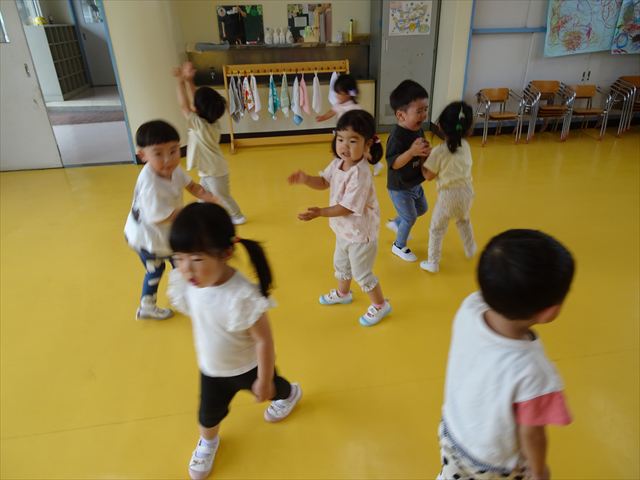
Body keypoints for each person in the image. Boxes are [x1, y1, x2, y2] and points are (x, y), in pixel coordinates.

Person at [167, 203, 302, 480]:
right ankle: (208, 442)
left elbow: (264, 341)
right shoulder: (189, 283)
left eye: (197, 259)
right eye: (179, 258)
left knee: (274, 388)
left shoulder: (241, 296)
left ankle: (290, 394)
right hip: (212, 369)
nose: (186, 268)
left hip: (248, 367)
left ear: (226, 253)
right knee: (207, 414)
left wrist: (264, 379)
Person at [438, 229, 574, 480]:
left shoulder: (470, 307)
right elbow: (532, 433)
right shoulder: (533, 369)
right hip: (492, 462)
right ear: (550, 312)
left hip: (452, 431)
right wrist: (539, 470)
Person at [288, 110, 391, 326]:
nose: (344, 146)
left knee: (362, 273)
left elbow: (346, 207)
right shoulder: (338, 163)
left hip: (361, 235)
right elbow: (324, 182)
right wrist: (306, 179)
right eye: (341, 139)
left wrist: (320, 212)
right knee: (341, 265)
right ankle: (343, 294)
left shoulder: (360, 174)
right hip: (344, 231)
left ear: (367, 144)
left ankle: (381, 305)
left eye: (353, 141)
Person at [124, 120, 218, 320]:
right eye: (158, 154)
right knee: (157, 270)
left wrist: (207, 196)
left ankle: (189, 297)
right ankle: (147, 306)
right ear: (143, 155)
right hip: (147, 240)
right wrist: (195, 213)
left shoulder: (173, 169)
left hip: (164, 236)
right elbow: (161, 217)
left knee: (182, 262)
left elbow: (191, 186)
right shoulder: (150, 184)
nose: (168, 159)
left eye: (173, 151)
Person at [174, 62, 246, 225]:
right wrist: (189, 81)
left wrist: (180, 82)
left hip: (215, 171)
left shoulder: (200, 125)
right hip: (209, 169)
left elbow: (184, 107)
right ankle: (204, 213)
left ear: (198, 110)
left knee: (221, 195)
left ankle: (237, 216)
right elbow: (196, 101)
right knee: (203, 194)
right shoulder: (210, 121)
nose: (193, 105)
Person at [420, 101, 477, 273]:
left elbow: (428, 176)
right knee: (463, 220)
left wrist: (423, 159)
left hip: (448, 196)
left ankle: (433, 262)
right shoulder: (466, 146)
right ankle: (470, 248)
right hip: (467, 193)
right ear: (467, 129)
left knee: (437, 228)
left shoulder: (439, 151)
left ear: (440, 126)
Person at [385, 80, 432, 262]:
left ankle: (397, 223)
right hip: (399, 187)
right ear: (401, 115)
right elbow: (394, 163)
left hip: (414, 182)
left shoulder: (418, 130)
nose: (424, 115)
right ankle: (398, 245)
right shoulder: (397, 137)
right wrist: (411, 152)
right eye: (418, 111)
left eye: (425, 109)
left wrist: (427, 154)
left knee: (422, 208)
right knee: (410, 218)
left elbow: (422, 152)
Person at [315, 74, 383, 176]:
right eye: (336, 93)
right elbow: (331, 112)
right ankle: (329, 173)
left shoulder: (354, 108)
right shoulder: (339, 105)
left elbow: (363, 123)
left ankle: (375, 163)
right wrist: (323, 117)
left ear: (348, 94)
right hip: (343, 134)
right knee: (339, 153)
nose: (337, 96)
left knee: (350, 154)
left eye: (339, 93)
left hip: (353, 136)